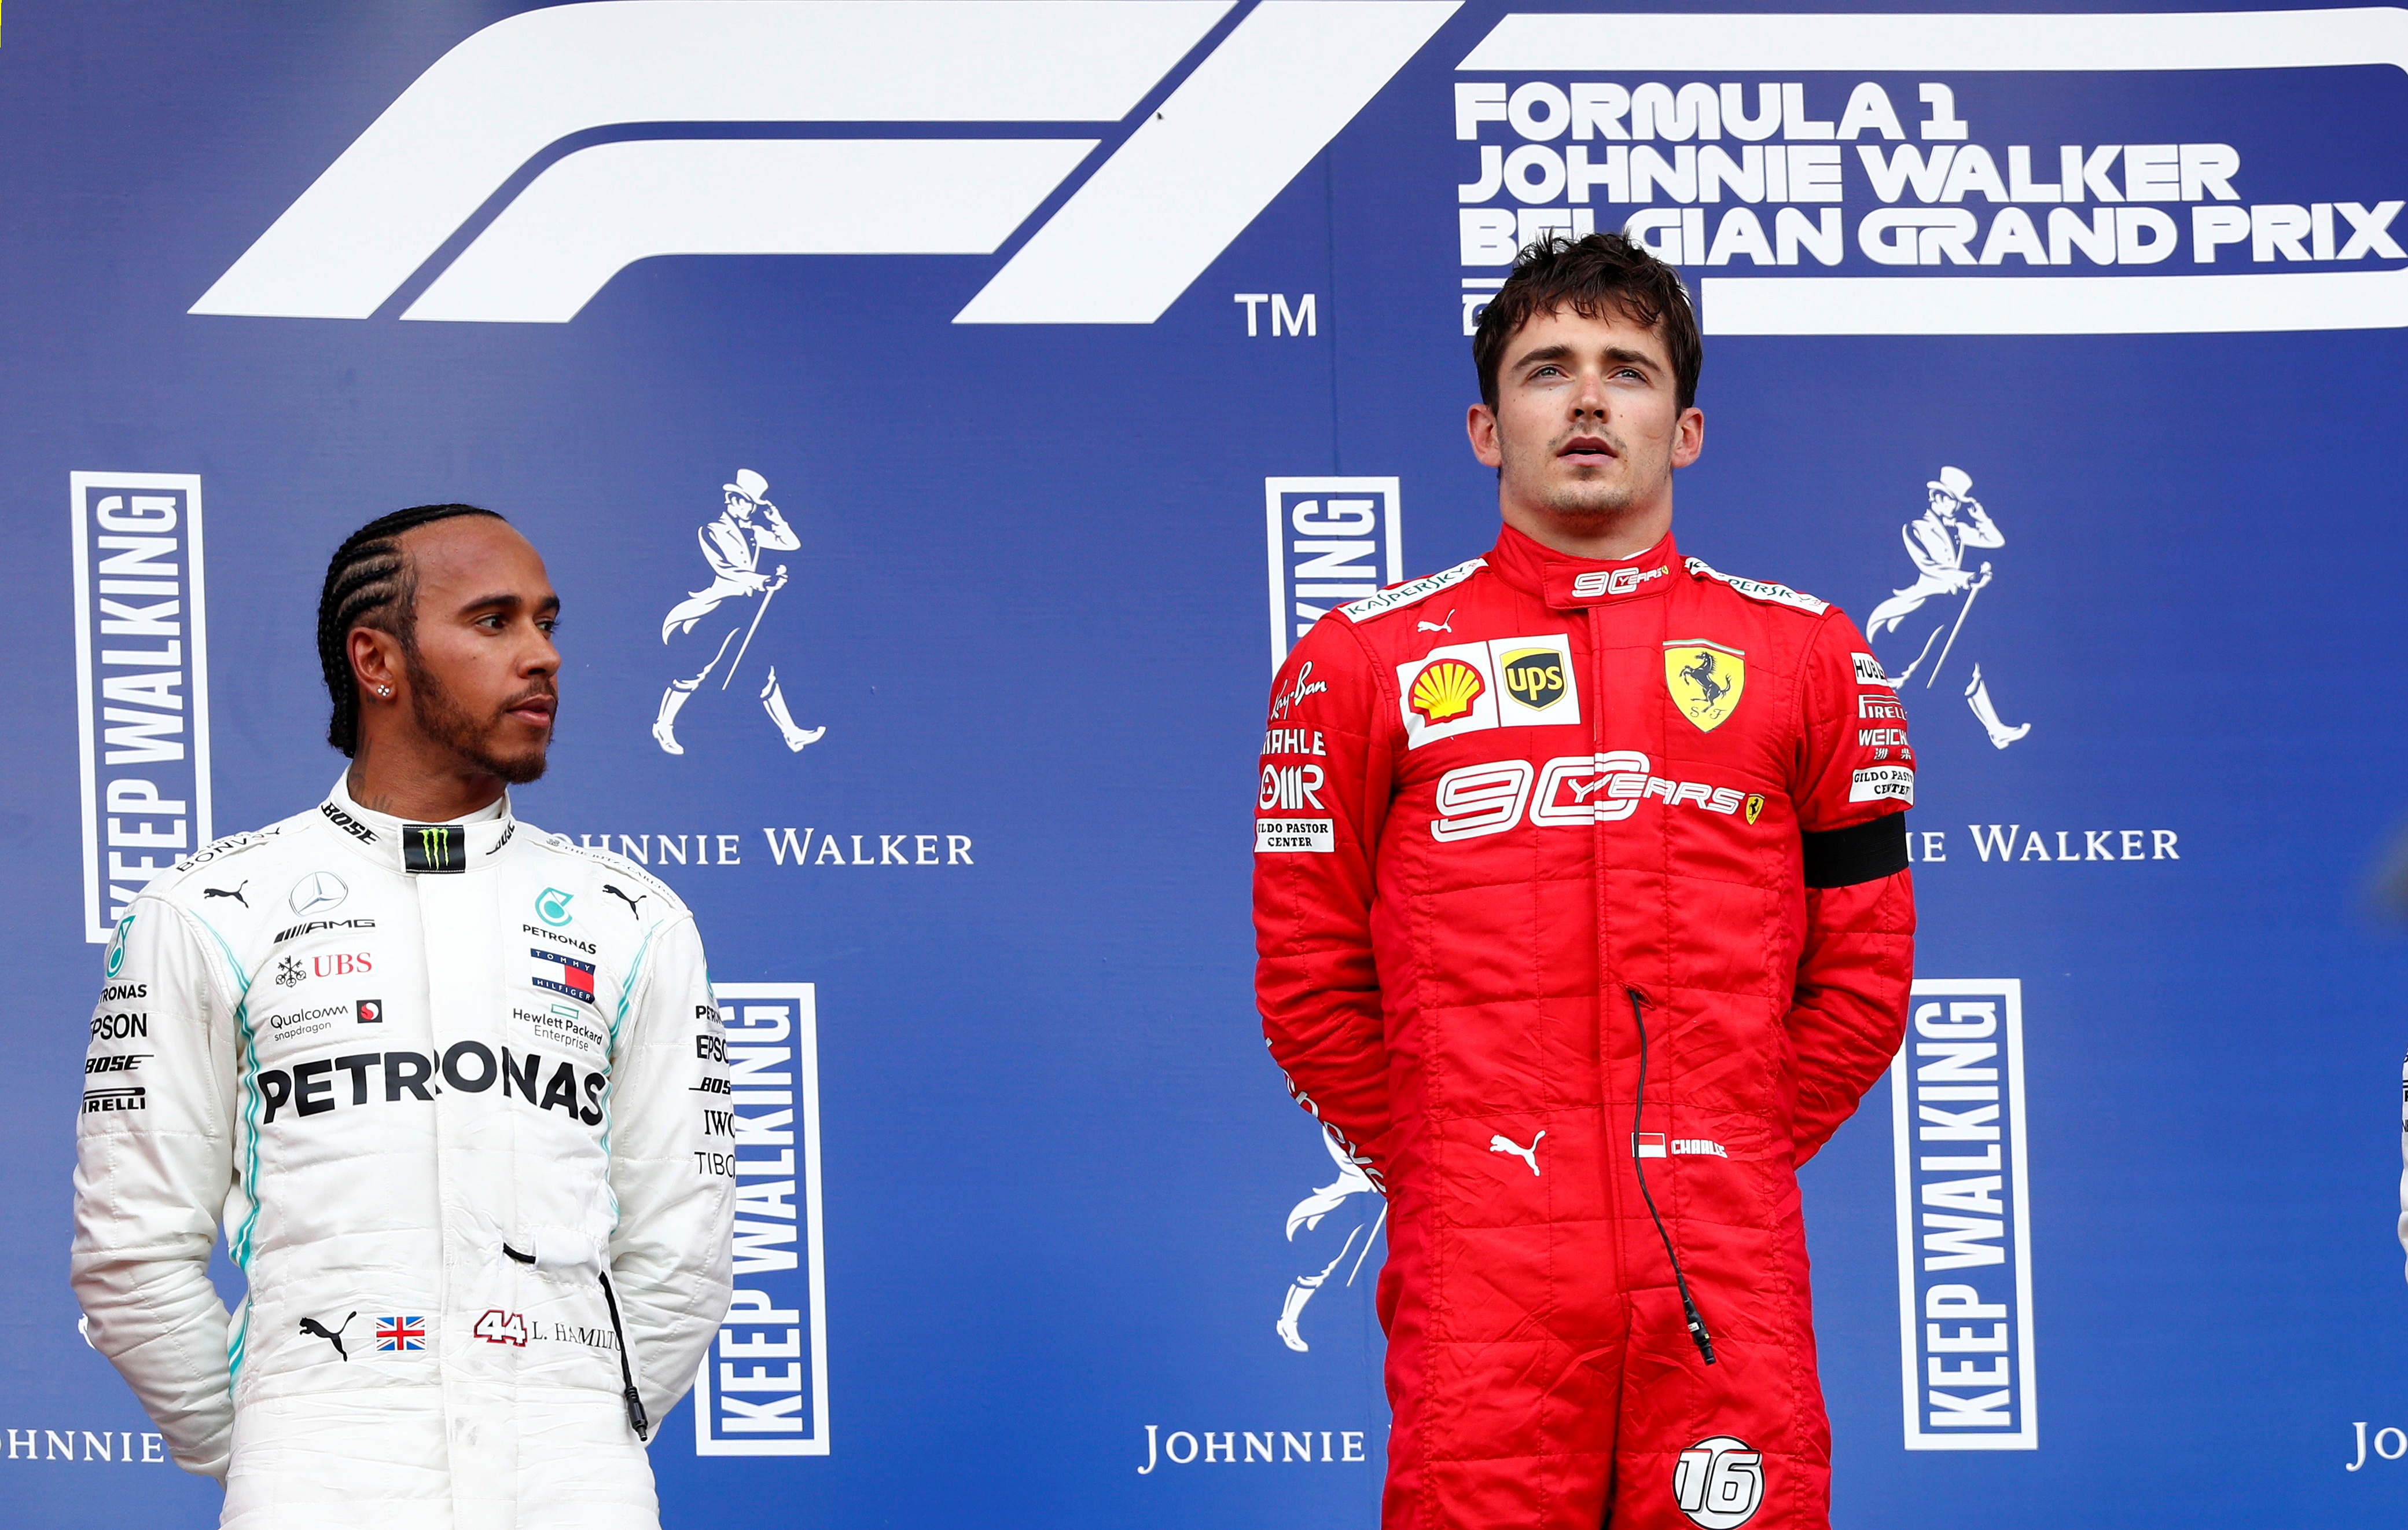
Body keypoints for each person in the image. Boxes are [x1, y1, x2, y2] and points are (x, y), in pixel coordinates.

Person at [1253, 233, 1916, 1530]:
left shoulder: (1811, 658)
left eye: (1628, 368)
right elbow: (1306, 976)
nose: (1589, 398)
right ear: (1485, 428)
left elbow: (1863, 970)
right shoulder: (1358, 661)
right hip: (1484, 1270)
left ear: (1687, 428)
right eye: (1546, 368)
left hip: (1721, 1253)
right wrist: (1452, 1158)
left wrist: (1729, 1140)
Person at [72, 503, 736, 1528]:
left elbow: (684, 1242)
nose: (542, 657)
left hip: (577, 1485)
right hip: (319, 1480)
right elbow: (131, 1247)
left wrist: (572, 1420)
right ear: (377, 658)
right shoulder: (206, 909)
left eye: (547, 624)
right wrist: (280, 1442)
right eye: (494, 621)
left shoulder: (634, 918)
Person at [652, 468, 824, 754]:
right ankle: (664, 724)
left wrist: (774, 517)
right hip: (719, 608)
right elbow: (726, 570)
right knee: (696, 668)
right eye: (735, 498)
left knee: (763, 670)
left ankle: (791, 733)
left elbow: (791, 543)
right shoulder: (712, 529)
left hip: (746, 611)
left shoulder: (755, 532)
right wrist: (763, 581)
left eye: (746, 501)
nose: (738, 504)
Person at [1863, 464, 2028, 749]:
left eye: (1954, 501)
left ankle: (1996, 730)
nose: (1949, 505)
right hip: (1915, 610)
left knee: (1968, 663)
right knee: (1902, 670)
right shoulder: (1916, 527)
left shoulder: (1961, 530)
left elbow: (1995, 540)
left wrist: (1981, 516)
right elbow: (1932, 568)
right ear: (1935, 497)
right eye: (1945, 498)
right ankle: (1888, 693)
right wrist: (1968, 578)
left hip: (1947, 610)